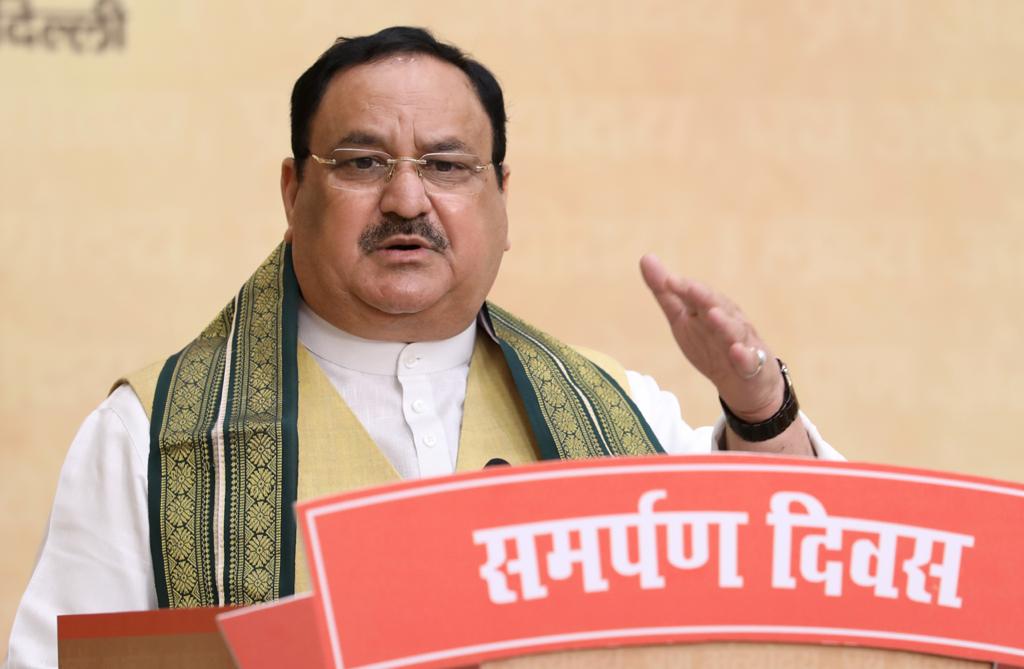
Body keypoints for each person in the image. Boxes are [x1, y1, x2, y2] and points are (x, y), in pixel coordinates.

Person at [5, 26, 840, 668]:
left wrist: (760, 408)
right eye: (363, 161)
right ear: (295, 191)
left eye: (446, 165)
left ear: (502, 197)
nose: (407, 198)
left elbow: (796, 593)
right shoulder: (152, 438)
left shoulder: (619, 414)